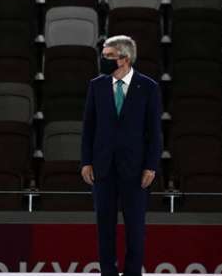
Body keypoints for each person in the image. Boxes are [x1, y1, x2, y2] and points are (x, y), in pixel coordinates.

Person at [80, 35, 162, 276]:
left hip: (136, 170)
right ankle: (108, 272)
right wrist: (86, 161)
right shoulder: (96, 85)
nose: (103, 60)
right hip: (103, 167)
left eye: (108, 56)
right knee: (104, 227)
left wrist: (151, 166)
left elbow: (154, 132)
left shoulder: (148, 87)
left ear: (124, 59)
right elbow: (89, 127)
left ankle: (133, 272)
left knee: (135, 227)